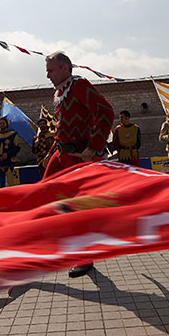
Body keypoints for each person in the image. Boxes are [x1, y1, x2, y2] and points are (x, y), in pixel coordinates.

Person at [42, 51, 115, 277]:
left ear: (65, 68)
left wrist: (93, 147)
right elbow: (62, 128)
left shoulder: (80, 86)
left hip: (79, 156)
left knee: (77, 206)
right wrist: (52, 151)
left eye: (51, 70)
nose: (48, 76)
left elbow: (106, 112)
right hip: (61, 154)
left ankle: (85, 257)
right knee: (41, 197)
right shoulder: (60, 92)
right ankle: (39, 250)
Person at [0, 116, 25, 187]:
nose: (1, 125)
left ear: (7, 124)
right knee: (1, 182)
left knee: (11, 181)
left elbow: (16, 148)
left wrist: (8, 154)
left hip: (9, 161)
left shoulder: (13, 134)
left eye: (3, 123)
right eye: (0, 123)